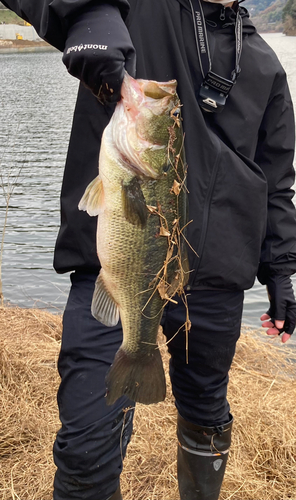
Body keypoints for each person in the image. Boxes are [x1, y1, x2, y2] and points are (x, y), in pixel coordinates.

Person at [2, 0, 296, 499]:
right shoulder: (139, 8)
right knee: (85, 445)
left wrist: (281, 271)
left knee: (205, 415)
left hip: (216, 278)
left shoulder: (265, 64)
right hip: (115, 272)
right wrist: (88, 14)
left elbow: (276, 182)